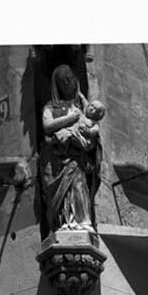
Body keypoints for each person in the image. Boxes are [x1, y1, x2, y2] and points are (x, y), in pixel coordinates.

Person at [39, 63, 104, 231]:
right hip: (56, 160)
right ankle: (64, 222)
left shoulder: (84, 107)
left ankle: (81, 222)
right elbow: (47, 126)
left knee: (79, 186)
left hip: (77, 160)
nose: (67, 83)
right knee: (61, 196)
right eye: (63, 81)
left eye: (69, 79)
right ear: (57, 86)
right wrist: (69, 119)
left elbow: (93, 135)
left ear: (76, 80)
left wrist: (84, 139)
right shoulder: (51, 107)